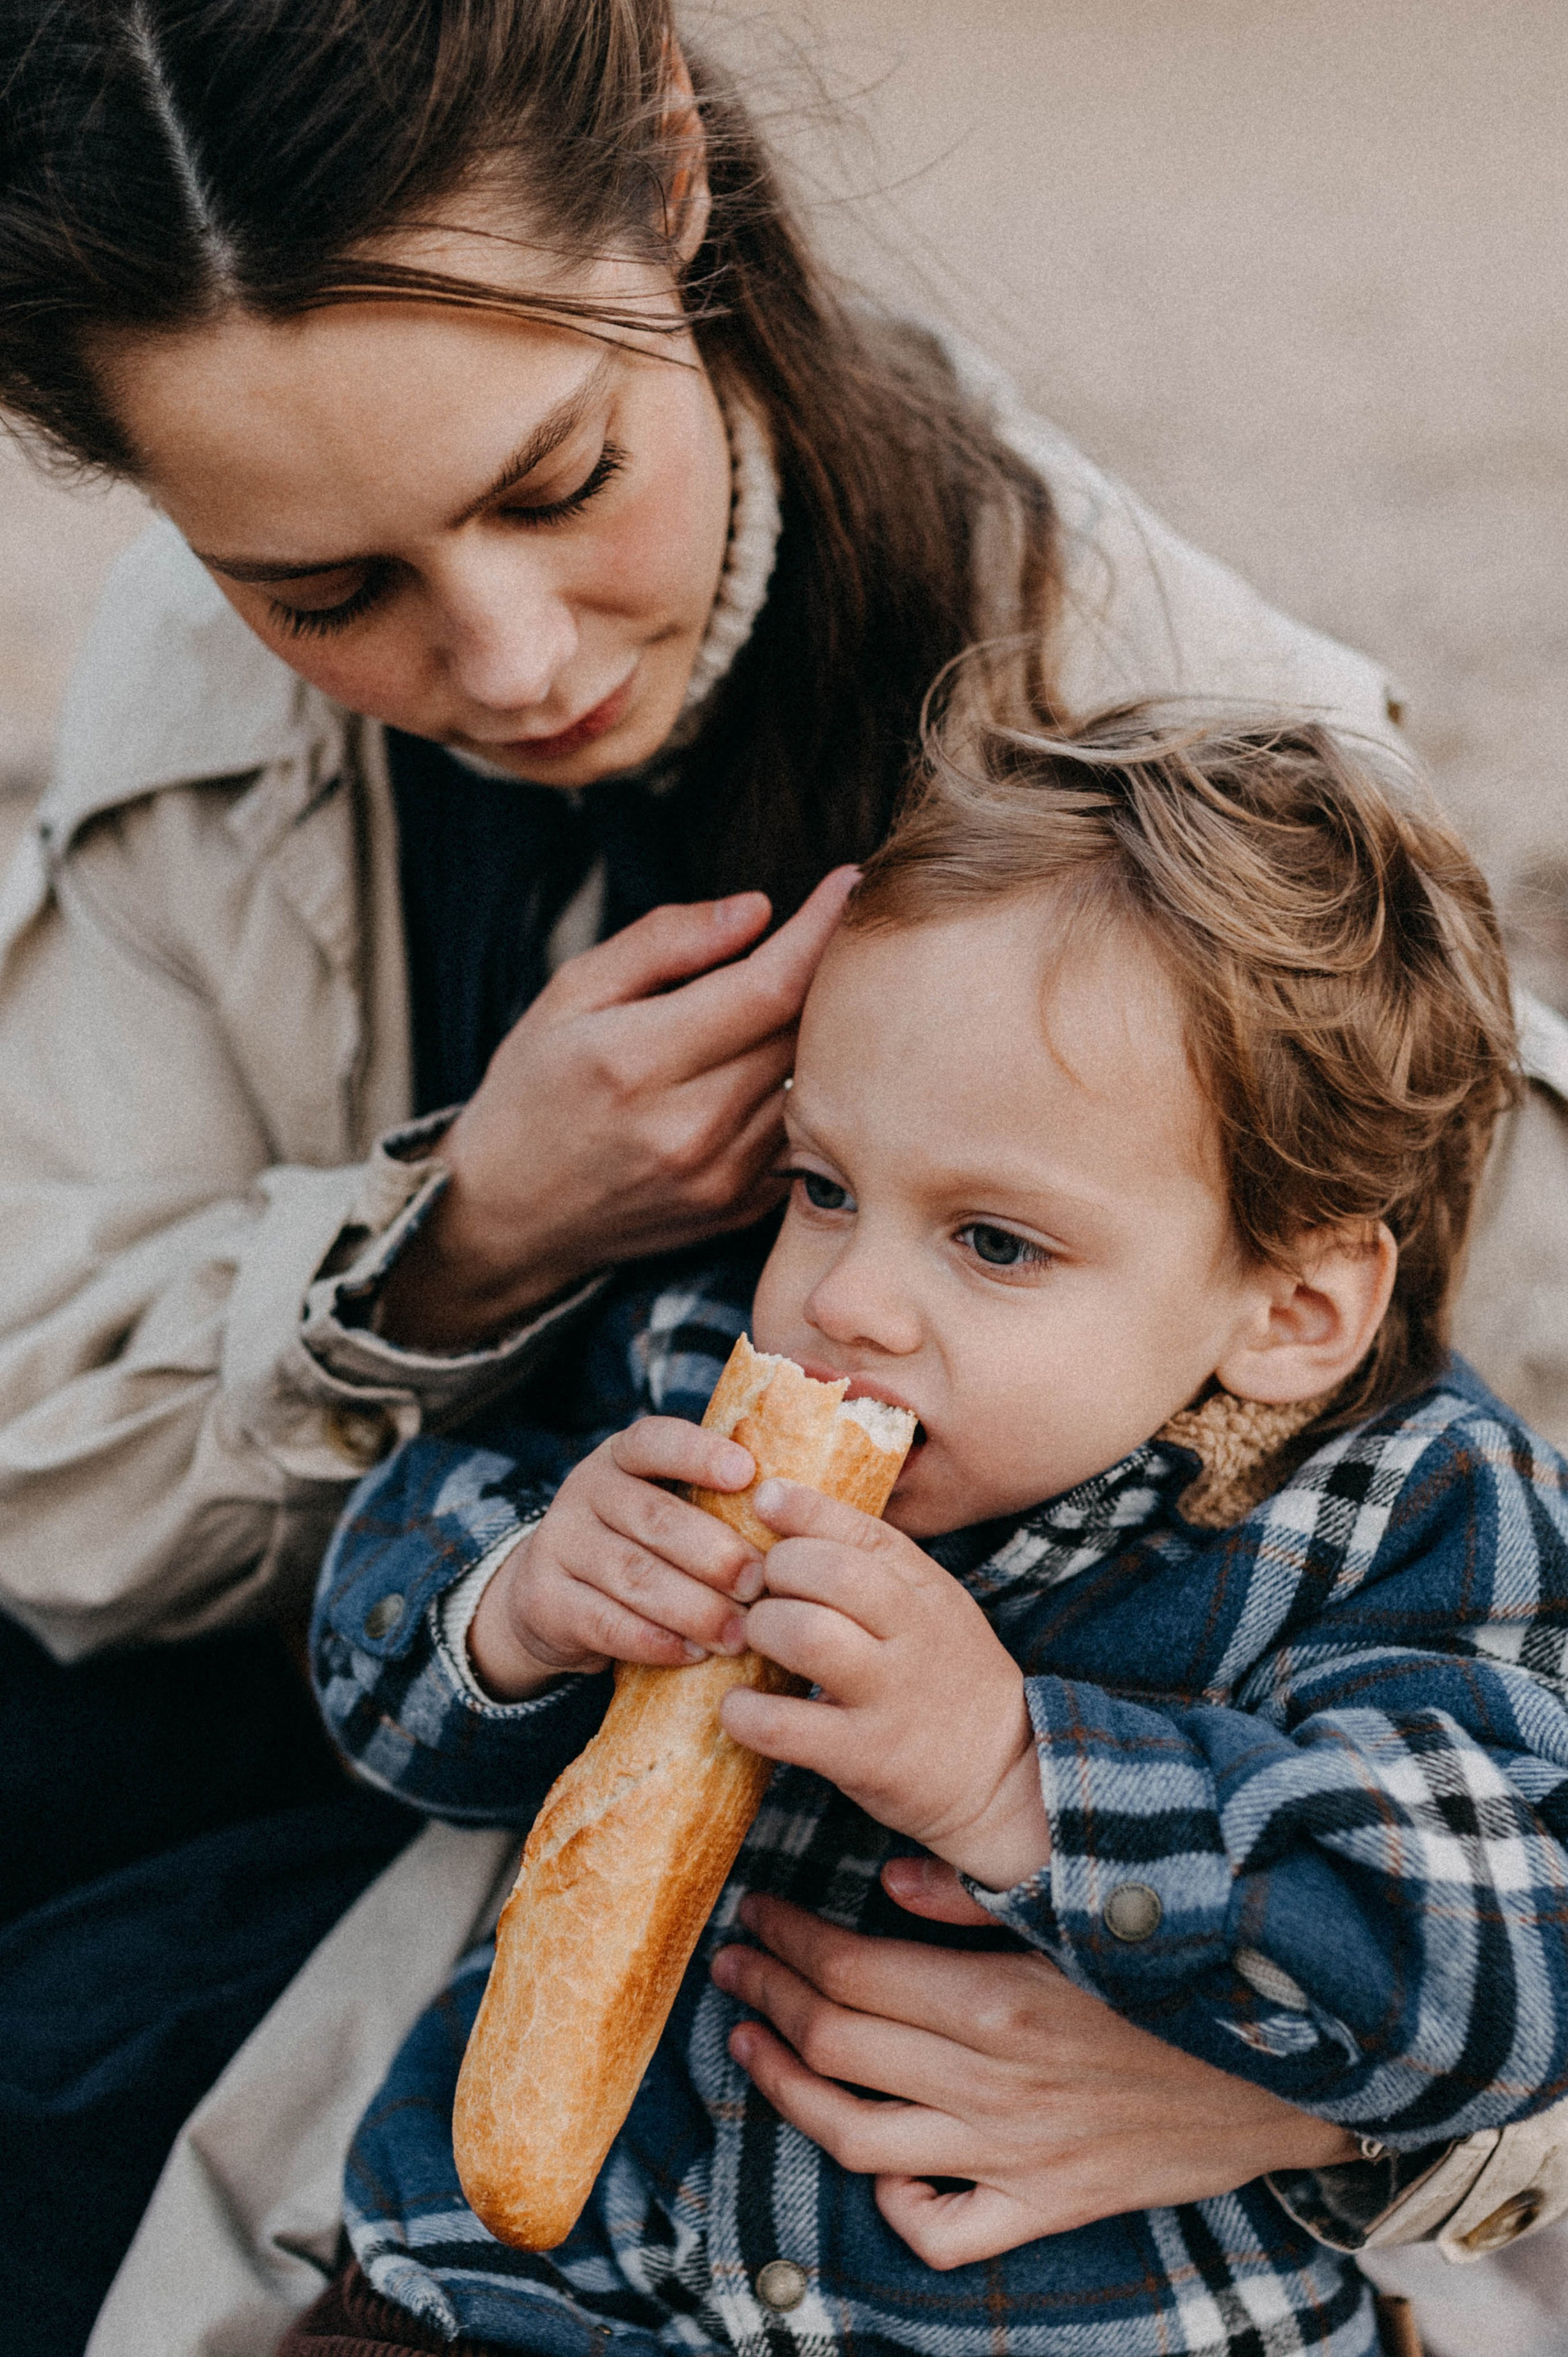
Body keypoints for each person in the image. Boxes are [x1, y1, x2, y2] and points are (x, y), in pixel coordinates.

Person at [1, 3, 1566, 2347]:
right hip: (462, 1948)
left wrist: (1332, 2115)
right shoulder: (665, 1326)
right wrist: (468, 1248)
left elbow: (1500, 1796)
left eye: (556, 483)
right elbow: (79, 1493)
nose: (506, 657)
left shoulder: (1229, 818)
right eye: (326, 590)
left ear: (667, 170)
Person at [289, 704, 1568, 2356]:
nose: (847, 1299)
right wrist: (518, 1604)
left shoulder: (1406, 1517)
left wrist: (1019, 1779)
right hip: (518, 2297)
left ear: (1295, 1309)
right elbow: (373, 1655)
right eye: (823, 1187)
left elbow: (1507, 1970)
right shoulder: (689, 1368)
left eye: (994, 1242)